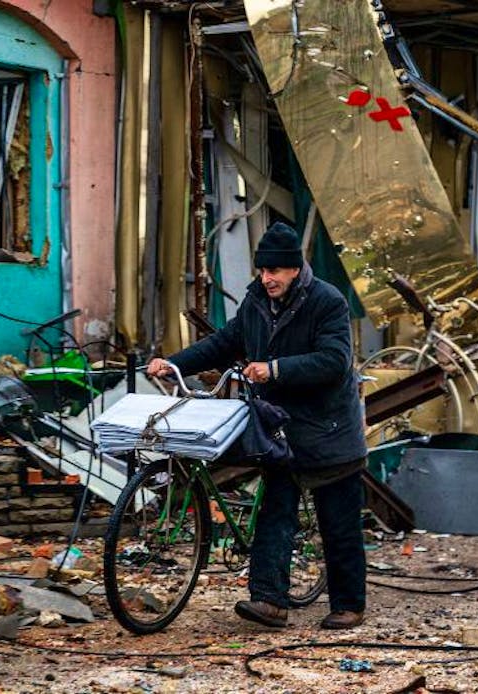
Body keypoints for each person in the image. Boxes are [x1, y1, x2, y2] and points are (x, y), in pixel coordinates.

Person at [147, 222, 368, 630]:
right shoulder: (255, 303)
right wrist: (175, 362)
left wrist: (276, 369)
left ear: (296, 270)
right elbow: (223, 343)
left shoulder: (327, 302)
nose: (267, 278)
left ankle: (349, 604)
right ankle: (269, 601)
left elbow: (335, 361)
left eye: (276, 271)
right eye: (262, 271)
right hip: (281, 429)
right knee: (276, 511)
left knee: (338, 521)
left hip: (328, 428)